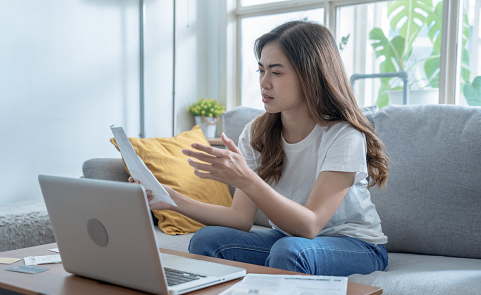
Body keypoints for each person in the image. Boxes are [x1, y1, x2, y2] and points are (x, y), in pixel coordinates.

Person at [132, 20, 389, 277]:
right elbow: (240, 218)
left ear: (311, 76)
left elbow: (310, 225)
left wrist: (247, 179)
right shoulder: (258, 132)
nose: (264, 83)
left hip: (356, 246)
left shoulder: (343, 134)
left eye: (276, 72)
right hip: (289, 241)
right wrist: (171, 199)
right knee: (207, 240)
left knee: (290, 251)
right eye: (261, 70)